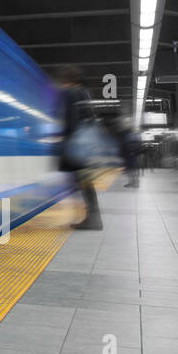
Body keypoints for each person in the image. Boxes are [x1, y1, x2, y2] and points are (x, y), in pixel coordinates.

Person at [55, 65, 102, 230]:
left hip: (77, 145)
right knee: (85, 182)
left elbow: (70, 120)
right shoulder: (85, 93)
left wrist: (62, 136)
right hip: (87, 144)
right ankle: (93, 217)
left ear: (66, 79)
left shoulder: (70, 93)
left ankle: (92, 219)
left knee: (80, 182)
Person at [118, 119, 143, 187]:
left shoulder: (133, 133)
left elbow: (136, 144)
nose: (126, 125)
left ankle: (135, 182)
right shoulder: (127, 133)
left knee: (132, 168)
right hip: (128, 154)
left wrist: (133, 152)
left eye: (127, 123)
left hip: (131, 154)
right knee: (130, 169)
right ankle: (132, 182)